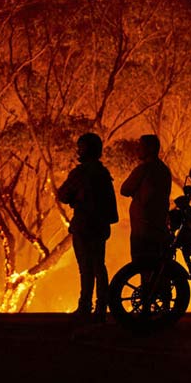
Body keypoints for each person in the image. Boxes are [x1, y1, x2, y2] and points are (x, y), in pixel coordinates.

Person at [57, 132, 119, 321]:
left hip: (84, 224)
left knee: (86, 267)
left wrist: (76, 198)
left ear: (87, 149)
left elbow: (63, 195)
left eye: (81, 147)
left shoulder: (81, 173)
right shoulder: (103, 173)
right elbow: (110, 203)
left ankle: (85, 305)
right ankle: (101, 306)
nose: (78, 150)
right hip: (99, 225)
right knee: (99, 265)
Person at [120, 134, 173, 263]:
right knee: (158, 266)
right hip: (159, 227)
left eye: (141, 146)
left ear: (150, 149)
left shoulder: (143, 169)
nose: (137, 149)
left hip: (142, 229)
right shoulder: (164, 170)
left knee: (143, 265)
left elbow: (125, 189)